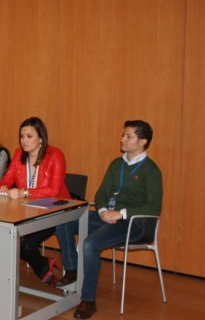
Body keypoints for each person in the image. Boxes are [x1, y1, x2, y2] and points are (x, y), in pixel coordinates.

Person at [56, 120, 162, 319]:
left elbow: (154, 206)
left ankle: (88, 300)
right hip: (108, 216)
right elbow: (102, 193)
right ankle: (72, 270)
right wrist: (104, 210)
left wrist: (120, 214)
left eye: (128, 136)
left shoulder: (151, 170)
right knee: (64, 220)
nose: (122, 139)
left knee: (89, 244)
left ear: (142, 141)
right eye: (123, 135)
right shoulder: (116, 164)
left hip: (133, 224)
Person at [0, 117, 71, 286]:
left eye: (29, 136)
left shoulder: (55, 155)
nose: (24, 141)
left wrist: (24, 192)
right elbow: (7, 179)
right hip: (26, 210)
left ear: (41, 138)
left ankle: (43, 266)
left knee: (24, 246)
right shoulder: (18, 154)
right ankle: (44, 266)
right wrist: (3, 186)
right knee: (8, 239)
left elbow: (53, 191)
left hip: (54, 211)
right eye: (22, 136)